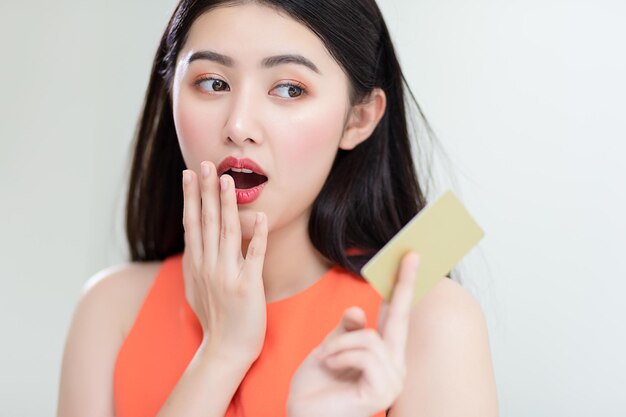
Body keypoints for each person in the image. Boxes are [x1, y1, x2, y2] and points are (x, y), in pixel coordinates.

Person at [57, 1, 499, 416]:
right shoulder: (111, 310)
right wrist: (221, 355)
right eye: (213, 83)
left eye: (290, 88)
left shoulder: (432, 322)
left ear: (359, 119)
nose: (239, 126)